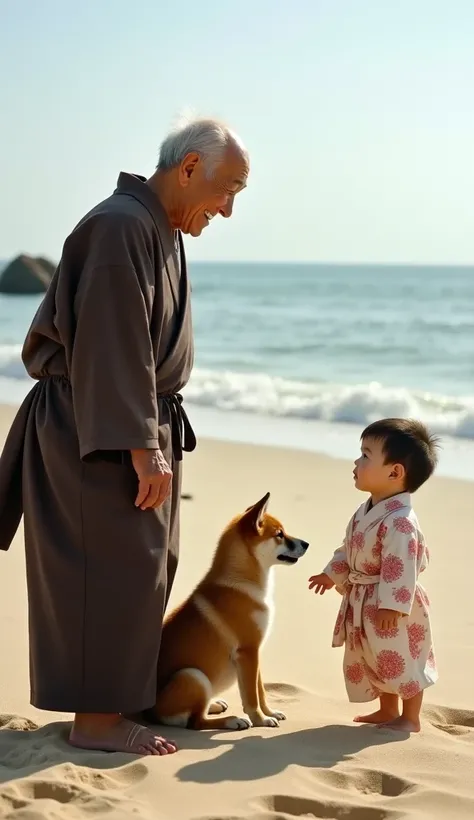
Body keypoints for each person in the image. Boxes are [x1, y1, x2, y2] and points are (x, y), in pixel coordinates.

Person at [0, 116, 249, 756]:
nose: (228, 208)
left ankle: (128, 696)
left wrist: (152, 437)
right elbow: (114, 345)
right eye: (228, 190)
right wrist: (142, 447)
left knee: (146, 567)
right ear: (189, 167)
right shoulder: (119, 227)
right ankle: (96, 722)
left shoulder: (159, 226)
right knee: (104, 570)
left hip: (133, 418)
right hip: (98, 427)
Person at [308, 418, 439, 733]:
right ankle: (386, 709)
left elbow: (402, 565)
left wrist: (393, 605)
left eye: (366, 455)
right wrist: (332, 573)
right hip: (363, 598)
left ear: (395, 472)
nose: (356, 461)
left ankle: (410, 717)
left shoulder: (401, 522)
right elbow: (348, 550)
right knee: (373, 656)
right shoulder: (365, 510)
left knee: (401, 656)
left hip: (391, 606)